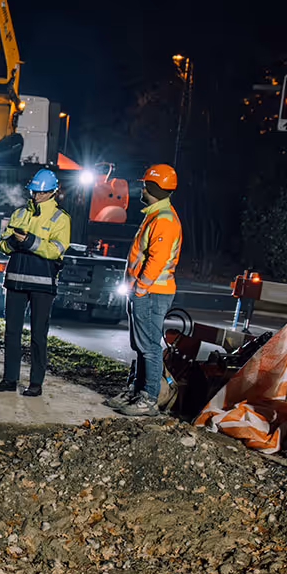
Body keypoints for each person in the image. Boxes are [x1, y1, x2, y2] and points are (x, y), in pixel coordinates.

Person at [109, 163, 182, 417]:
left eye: (144, 184)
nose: (141, 188)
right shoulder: (156, 215)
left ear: (152, 187)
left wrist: (140, 288)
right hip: (147, 290)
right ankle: (137, 391)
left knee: (149, 346)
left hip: (152, 291)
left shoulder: (163, 219)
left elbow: (156, 260)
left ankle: (148, 398)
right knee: (142, 345)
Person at [0, 169, 70, 397]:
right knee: (11, 332)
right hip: (15, 280)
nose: (36, 196)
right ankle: (9, 379)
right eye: (34, 192)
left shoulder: (60, 218)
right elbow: (2, 244)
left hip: (42, 284)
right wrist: (12, 243)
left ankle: (36, 383)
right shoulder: (19, 213)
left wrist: (30, 241)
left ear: (52, 192)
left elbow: (56, 251)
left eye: (41, 193)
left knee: (38, 335)